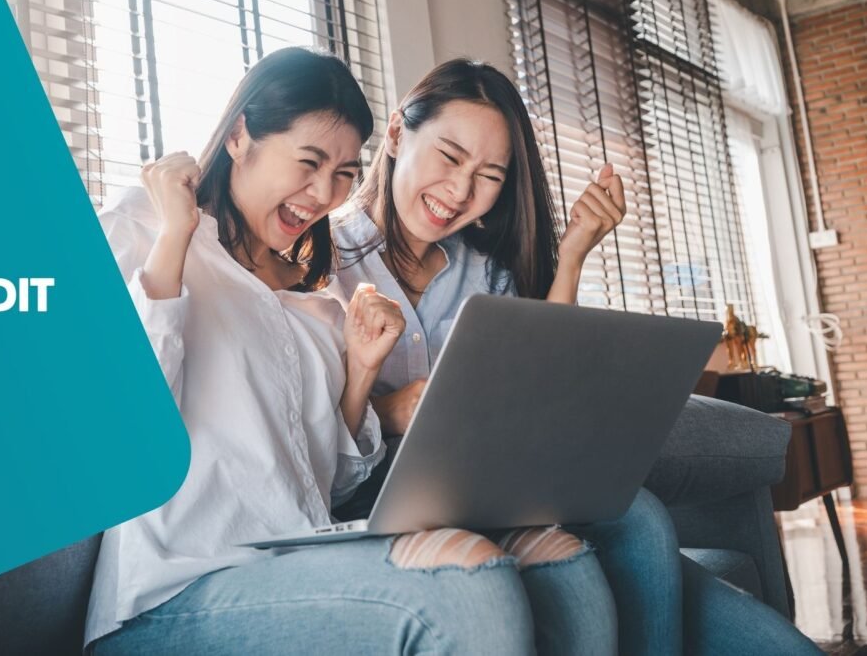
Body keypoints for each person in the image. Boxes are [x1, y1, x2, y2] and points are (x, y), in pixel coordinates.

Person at [86, 48, 616, 655]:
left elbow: (331, 485)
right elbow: (116, 428)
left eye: (342, 172)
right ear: (239, 135)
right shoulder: (147, 229)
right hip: (173, 586)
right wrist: (176, 240)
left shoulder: (312, 299)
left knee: (567, 572)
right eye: (309, 162)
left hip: (300, 556)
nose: (322, 193)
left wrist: (361, 373)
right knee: (472, 588)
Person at [331, 57, 817, 655]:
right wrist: (390, 408)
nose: (460, 193)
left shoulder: (482, 271)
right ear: (400, 134)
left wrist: (574, 255)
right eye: (450, 157)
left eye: (490, 176)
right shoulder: (319, 254)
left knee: (641, 518)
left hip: (492, 487)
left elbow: (540, 379)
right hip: (379, 498)